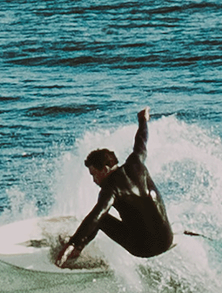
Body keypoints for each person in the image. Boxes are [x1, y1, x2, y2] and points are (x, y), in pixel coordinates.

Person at [54, 108, 175, 267]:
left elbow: (96, 215)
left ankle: (76, 250)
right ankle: (77, 246)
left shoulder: (111, 189)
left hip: (144, 249)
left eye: (94, 174)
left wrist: (73, 242)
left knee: (101, 220)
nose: (94, 180)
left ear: (104, 169)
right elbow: (141, 140)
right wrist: (143, 120)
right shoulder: (136, 162)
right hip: (167, 239)